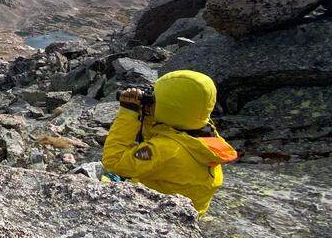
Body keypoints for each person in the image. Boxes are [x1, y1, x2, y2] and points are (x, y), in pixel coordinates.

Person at [101, 70, 237, 215]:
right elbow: (167, 128)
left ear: (168, 107)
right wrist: (151, 112)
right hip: (192, 211)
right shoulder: (206, 130)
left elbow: (113, 162)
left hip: (158, 213)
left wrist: (128, 112)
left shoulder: (165, 150)